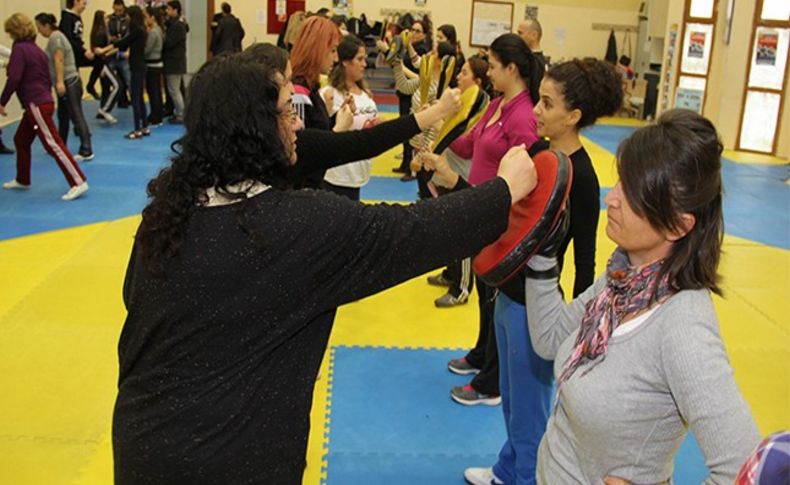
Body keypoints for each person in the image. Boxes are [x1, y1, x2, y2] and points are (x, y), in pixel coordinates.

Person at [112, 52, 539, 484]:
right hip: (235, 457)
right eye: (285, 112)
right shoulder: (297, 226)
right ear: (253, 128)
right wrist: (504, 192)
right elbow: (412, 232)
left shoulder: (167, 214)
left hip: (141, 444)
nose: (297, 123)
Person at [524, 109, 760, 483]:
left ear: (679, 225)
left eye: (633, 195)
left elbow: (746, 469)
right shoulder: (621, 280)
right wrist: (542, 254)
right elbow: (550, 340)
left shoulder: (682, 325)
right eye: (619, 182)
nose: (611, 199)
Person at [462, 58, 623, 485]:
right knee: (512, 400)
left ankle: (526, 477)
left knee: (531, 410)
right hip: (505, 291)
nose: (535, 111)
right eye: (539, 100)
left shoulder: (584, 178)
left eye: (547, 104)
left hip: (538, 309)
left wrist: (583, 328)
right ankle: (508, 469)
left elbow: (585, 256)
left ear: (572, 117)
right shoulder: (538, 154)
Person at [438, 33, 542, 407]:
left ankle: (491, 382)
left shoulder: (523, 115)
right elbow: (470, 143)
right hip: (481, 208)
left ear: (512, 68)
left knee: (496, 298)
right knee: (484, 291)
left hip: (502, 216)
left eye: (494, 66)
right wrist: (436, 135)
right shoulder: (498, 104)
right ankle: (482, 353)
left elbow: (528, 171)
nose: (489, 73)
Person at [426, 55, 492, 308]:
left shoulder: (481, 105)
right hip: (448, 169)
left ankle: (462, 287)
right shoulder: (461, 101)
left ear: (477, 80)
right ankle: (450, 271)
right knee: (447, 227)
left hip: (461, 173)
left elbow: (466, 147)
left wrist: (442, 123)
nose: (458, 77)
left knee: (461, 230)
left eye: (464, 73)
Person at [0, 13, 88, 201]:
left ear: (14, 31)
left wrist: (2, 101)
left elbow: (14, 78)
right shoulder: (36, 50)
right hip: (42, 101)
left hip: (36, 104)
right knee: (21, 139)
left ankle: (78, 181)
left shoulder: (20, 50)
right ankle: (22, 179)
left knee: (53, 144)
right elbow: (45, 75)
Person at [319, 35, 379, 201]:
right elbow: (321, 137)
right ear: (345, 61)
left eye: (365, 59)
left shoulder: (366, 94)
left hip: (359, 172)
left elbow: (373, 124)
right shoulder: (330, 95)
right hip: (338, 175)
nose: (365, 64)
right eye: (359, 59)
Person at [289, 15, 342, 188]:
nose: (336, 59)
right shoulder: (298, 93)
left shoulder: (311, 87)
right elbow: (301, 154)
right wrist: (338, 129)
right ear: (318, 49)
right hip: (301, 192)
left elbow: (316, 130)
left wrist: (335, 118)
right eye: (332, 51)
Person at [35, 13, 93, 162]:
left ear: (46, 25)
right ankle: (61, 144)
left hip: (69, 82)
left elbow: (58, 58)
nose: (39, 31)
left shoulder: (56, 37)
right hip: (66, 82)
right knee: (63, 115)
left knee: (75, 114)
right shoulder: (56, 37)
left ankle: (86, 148)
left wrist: (60, 82)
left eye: (39, 27)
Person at [97, 5, 148, 139]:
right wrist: (108, 51)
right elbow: (123, 45)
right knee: (139, 98)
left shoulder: (137, 30)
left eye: (128, 16)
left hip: (137, 67)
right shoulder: (140, 30)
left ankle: (138, 129)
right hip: (139, 66)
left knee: (136, 98)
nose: (127, 18)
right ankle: (144, 126)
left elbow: (122, 42)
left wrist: (103, 50)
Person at [88, 9, 119, 123]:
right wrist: (112, 46)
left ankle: (102, 111)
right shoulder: (99, 33)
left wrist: (112, 42)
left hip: (103, 63)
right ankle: (105, 110)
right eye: (106, 18)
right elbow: (98, 51)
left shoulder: (102, 32)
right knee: (117, 86)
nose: (108, 20)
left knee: (106, 88)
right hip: (103, 63)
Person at [162, 0, 187, 124]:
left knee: (174, 90)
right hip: (174, 62)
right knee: (174, 89)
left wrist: (162, 38)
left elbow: (169, 43)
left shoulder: (177, 26)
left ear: (175, 10)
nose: (167, 11)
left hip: (174, 62)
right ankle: (180, 112)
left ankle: (181, 114)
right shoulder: (174, 24)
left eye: (169, 9)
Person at [108, 0, 131, 108]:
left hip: (124, 53)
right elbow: (106, 35)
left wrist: (124, 44)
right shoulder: (109, 19)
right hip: (111, 54)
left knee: (128, 80)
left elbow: (130, 36)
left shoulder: (127, 20)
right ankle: (108, 104)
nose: (118, 12)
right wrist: (111, 39)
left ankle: (135, 103)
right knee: (110, 81)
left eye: (120, 10)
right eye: (116, 10)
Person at [144, 6, 165, 127]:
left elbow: (147, 50)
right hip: (157, 64)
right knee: (156, 90)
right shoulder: (159, 30)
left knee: (153, 92)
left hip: (152, 64)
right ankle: (157, 114)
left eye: (146, 17)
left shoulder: (153, 32)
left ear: (152, 17)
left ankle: (155, 116)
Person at [58, 0, 95, 68]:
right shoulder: (67, 18)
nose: (84, 7)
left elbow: (78, 38)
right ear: (75, 2)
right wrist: (83, 51)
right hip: (70, 54)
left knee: (99, 60)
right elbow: (68, 38)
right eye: (83, 4)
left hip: (78, 51)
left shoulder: (78, 18)